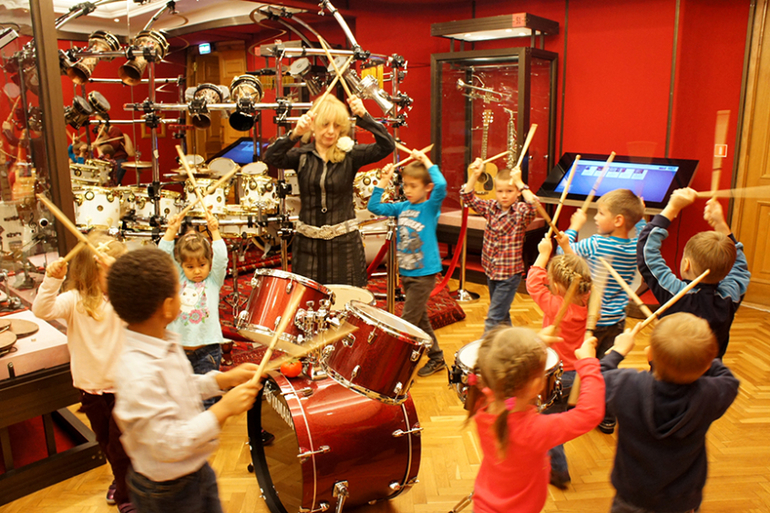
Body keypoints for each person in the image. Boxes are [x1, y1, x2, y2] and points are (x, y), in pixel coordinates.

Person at [107, 247, 260, 513]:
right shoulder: (138, 372)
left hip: (195, 470)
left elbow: (181, 387)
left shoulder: (162, 340)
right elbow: (168, 444)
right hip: (167, 492)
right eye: (179, 292)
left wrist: (221, 381)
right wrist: (222, 410)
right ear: (168, 307)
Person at [31, 232, 135, 513]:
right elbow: (41, 310)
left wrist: (124, 278)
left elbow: (147, 301)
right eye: (112, 272)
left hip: (124, 388)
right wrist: (52, 279)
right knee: (105, 442)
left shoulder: (124, 299)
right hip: (90, 388)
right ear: (91, 272)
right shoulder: (74, 300)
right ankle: (121, 480)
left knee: (121, 447)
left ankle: (127, 496)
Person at [601, 313, 739, 513]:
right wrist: (701, 354)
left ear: (650, 355)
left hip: (632, 496)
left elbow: (598, 376)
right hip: (682, 501)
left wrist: (618, 351)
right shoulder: (711, 395)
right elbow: (728, 379)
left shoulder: (628, 387)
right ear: (707, 365)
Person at [467, 326, 605, 513]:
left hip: (485, 502)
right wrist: (588, 363)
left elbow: (503, 366)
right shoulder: (534, 430)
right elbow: (589, 414)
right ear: (535, 387)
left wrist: (534, 346)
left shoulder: (481, 401)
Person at [263, 95, 395, 287]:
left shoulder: (351, 155)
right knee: (307, 301)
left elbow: (387, 145)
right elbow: (271, 156)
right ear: (314, 125)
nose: (331, 131)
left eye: (337, 125)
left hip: (345, 246)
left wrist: (364, 116)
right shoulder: (302, 156)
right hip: (307, 247)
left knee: (346, 301)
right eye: (325, 124)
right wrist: (296, 133)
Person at [556, 188, 645, 434]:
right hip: (617, 320)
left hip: (591, 321)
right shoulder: (636, 247)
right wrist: (641, 215)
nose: (595, 217)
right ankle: (607, 416)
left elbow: (566, 259)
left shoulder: (597, 243)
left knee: (584, 363)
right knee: (608, 367)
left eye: (601, 213)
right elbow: (643, 233)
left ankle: (578, 403)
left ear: (618, 220)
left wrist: (572, 229)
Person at [637, 188, 750, 358]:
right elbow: (740, 266)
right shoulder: (730, 296)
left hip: (668, 369)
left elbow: (646, 251)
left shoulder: (677, 294)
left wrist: (672, 207)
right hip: (710, 371)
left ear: (686, 264)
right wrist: (721, 224)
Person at [368, 151, 447, 376]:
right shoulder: (401, 207)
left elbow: (441, 185)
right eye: (405, 185)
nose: (408, 190)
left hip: (424, 274)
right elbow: (374, 207)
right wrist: (384, 181)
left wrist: (425, 161)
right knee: (420, 319)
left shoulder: (430, 207)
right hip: (407, 272)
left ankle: (395, 367)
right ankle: (436, 357)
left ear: (427, 187)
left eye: (414, 186)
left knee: (408, 321)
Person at [526, 237, 593, 489]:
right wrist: (566, 249)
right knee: (557, 415)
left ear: (555, 285)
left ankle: (558, 470)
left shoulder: (556, 305)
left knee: (549, 423)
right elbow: (580, 276)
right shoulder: (588, 300)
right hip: (577, 374)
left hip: (557, 374)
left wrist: (544, 254)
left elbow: (533, 283)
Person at [158, 209, 227, 409]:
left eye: (202, 265)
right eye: (190, 267)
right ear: (182, 266)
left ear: (209, 263)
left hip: (208, 351)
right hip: (179, 351)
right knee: (179, 399)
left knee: (206, 401)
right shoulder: (177, 278)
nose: (197, 271)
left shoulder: (213, 280)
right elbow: (163, 256)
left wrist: (215, 231)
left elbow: (221, 259)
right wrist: (171, 230)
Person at [460, 159, 537, 333]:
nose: (504, 195)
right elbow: (467, 197)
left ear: (517, 192)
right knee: (502, 316)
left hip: (509, 275)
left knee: (493, 317)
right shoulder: (491, 207)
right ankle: (509, 343)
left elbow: (534, 204)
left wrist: (520, 183)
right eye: (500, 191)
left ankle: (485, 348)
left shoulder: (520, 212)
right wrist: (475, 175)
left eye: (509, 191)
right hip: (491, 270)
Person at [94, 115, 129, 184]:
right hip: (108, 160)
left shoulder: (114, 130)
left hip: (118, 160)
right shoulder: (102, 132)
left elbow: (114, 146)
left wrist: (104, 135)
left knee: (114, 183)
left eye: (100, 121)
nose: (98, 124)